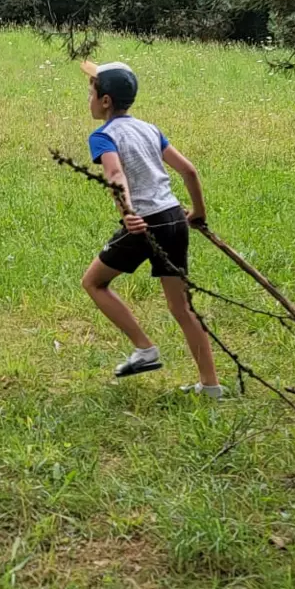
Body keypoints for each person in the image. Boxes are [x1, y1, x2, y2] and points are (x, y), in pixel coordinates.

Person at [78, 59, 222, 399]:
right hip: (173, 217)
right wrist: (198, 212)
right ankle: (211, 387)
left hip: (145, 223)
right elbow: (189, 171)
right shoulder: (150, 129)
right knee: (182, 308)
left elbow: (115, 175)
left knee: (94, 282)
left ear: (106, 100)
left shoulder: (103, 136)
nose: (88, 98)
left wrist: (127, 212)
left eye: (91, 92)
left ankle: (144, 350)